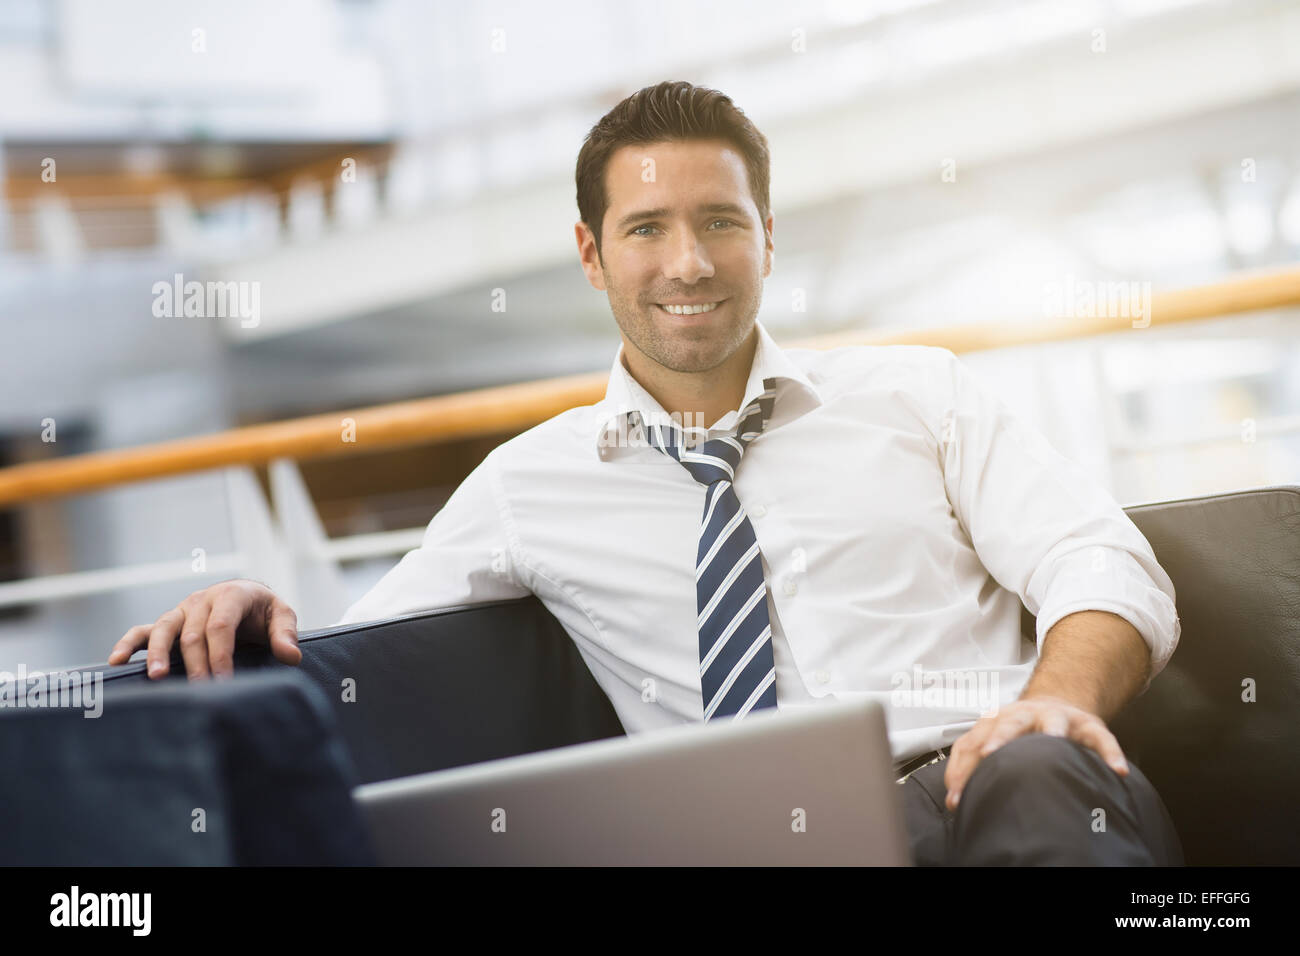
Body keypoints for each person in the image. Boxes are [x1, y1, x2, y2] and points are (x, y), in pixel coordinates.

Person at [108, 80, 1184, 866]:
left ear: (769, 237)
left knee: (1041, 776)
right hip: (766, 846)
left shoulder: (919, 394)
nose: (689, 262)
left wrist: (1047, 705)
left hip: (999, 790)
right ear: (592, 254)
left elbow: (1099, 560)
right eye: (647, 229)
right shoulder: (526, 486)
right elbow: (368, 656)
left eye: (721, 221)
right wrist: (255, 606)